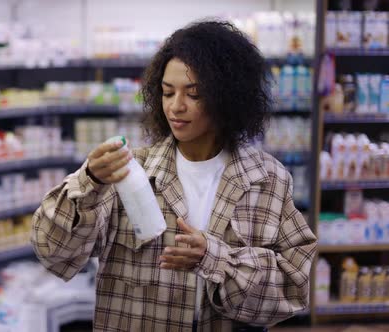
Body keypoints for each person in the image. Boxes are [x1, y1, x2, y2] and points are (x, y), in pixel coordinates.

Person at [31, 21, 317, 332]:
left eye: (193, 94)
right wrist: (89, 181)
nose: (176, 107)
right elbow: (54, 253)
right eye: (167, 93)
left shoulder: (268, 180)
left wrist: (214, 259)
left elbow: (294, 287)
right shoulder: (129, 172)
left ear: (228, 97)